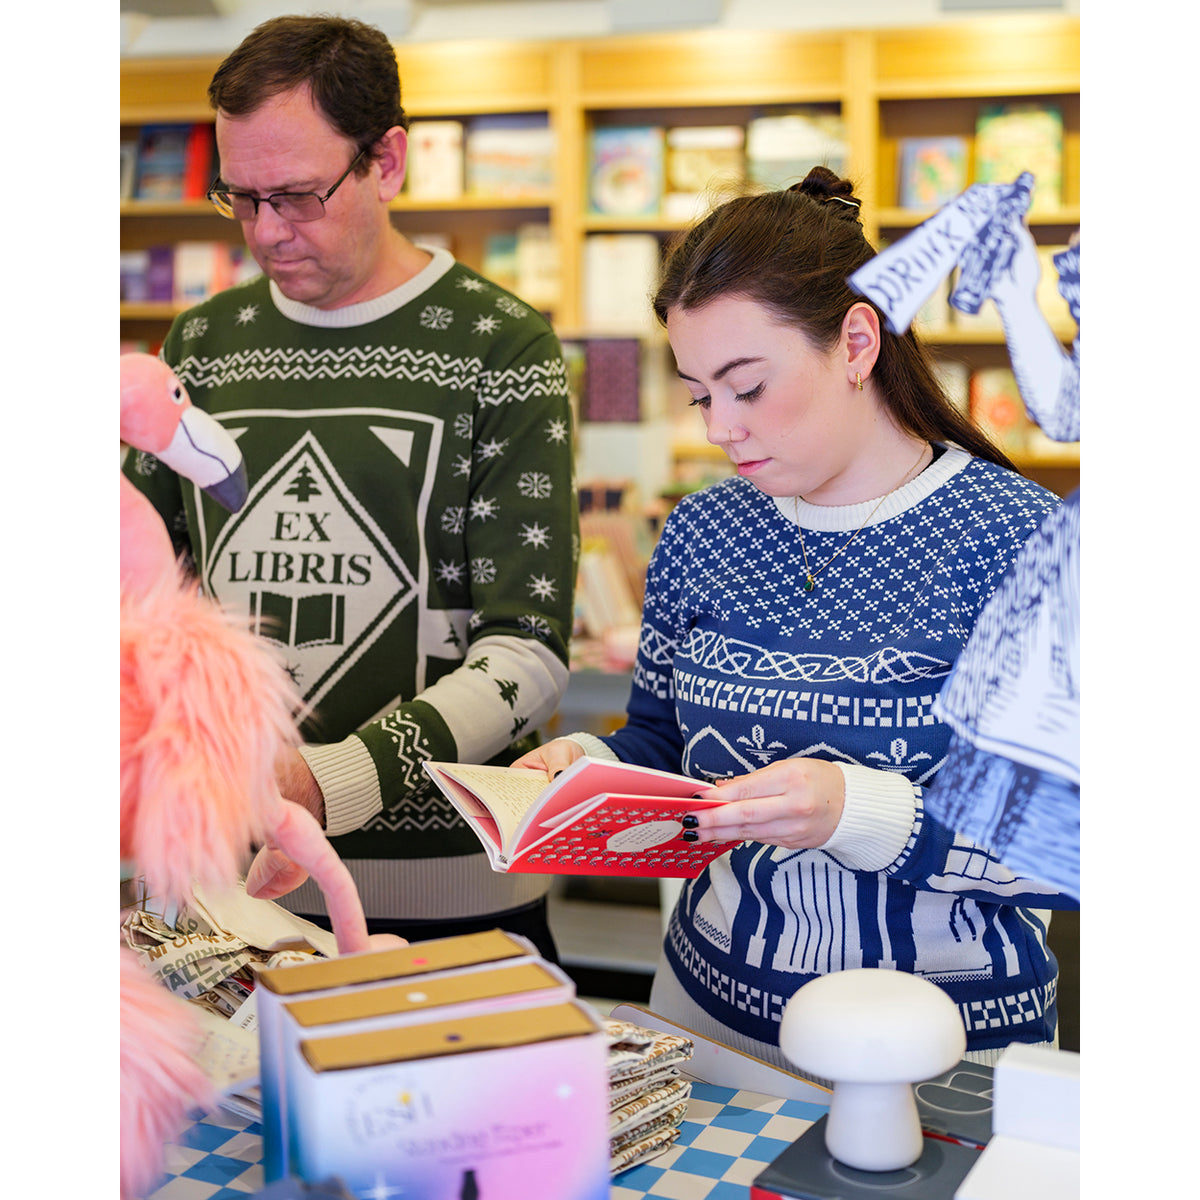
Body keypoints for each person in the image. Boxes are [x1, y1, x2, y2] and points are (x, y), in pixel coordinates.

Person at [516, 166, 1071, 1069]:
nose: (720, 428)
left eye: (748, 385)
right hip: (705, 1021)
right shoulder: (700, 530)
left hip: (944, 1050)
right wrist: (588, 765)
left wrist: (860, 810)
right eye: (700, 394)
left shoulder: (1019, 542)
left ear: (857, 342)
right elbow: (660, 740)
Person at [123, 15, 577, 960]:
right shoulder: (205, 342)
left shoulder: (500, 347)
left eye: (296, 195)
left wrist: (329, 782)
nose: (266, 233)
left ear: (388, 162)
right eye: (239, 199)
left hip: (453, 892)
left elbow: (526, 652)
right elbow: (138, 601)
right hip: (223, 890)